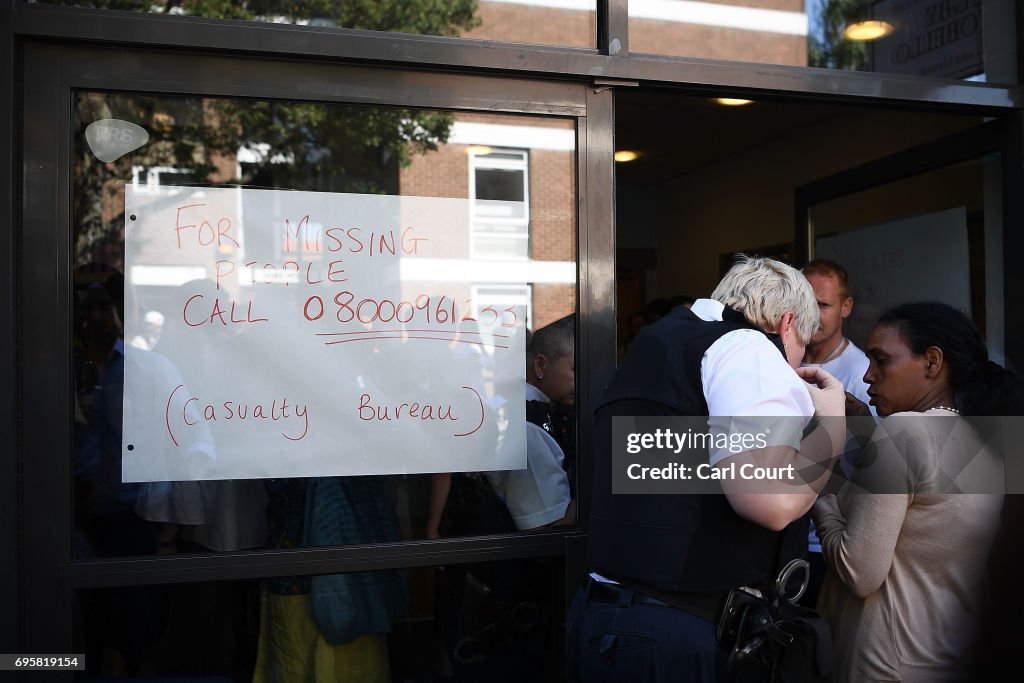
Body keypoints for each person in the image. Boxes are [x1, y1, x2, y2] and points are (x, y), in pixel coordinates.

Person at [566, 255, 847, 682]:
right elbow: (770, 503)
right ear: (786, 324)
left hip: (606, 617)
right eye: (802, 348)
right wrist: (830, 427)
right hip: (675, 630)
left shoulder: (659, 343)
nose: (795, 366)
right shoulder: (750, 348)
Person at [812, 302, 1016, 682]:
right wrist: (870, 433)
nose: (868, 375)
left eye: (881, 360)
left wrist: (822, 484)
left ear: (933, 362)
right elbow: (931, 504)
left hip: (886, 663)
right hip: (951, 654)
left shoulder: (905, 433)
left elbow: (859, 573)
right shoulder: (989, 434)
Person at [799, 258, 878, 606]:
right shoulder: (782, 361)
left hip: (826, 542)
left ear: (846, 308)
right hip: (781, 530)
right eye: (803, 303)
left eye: (823, 305)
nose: (812, 315)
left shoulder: (863, 376)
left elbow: (873, 465)